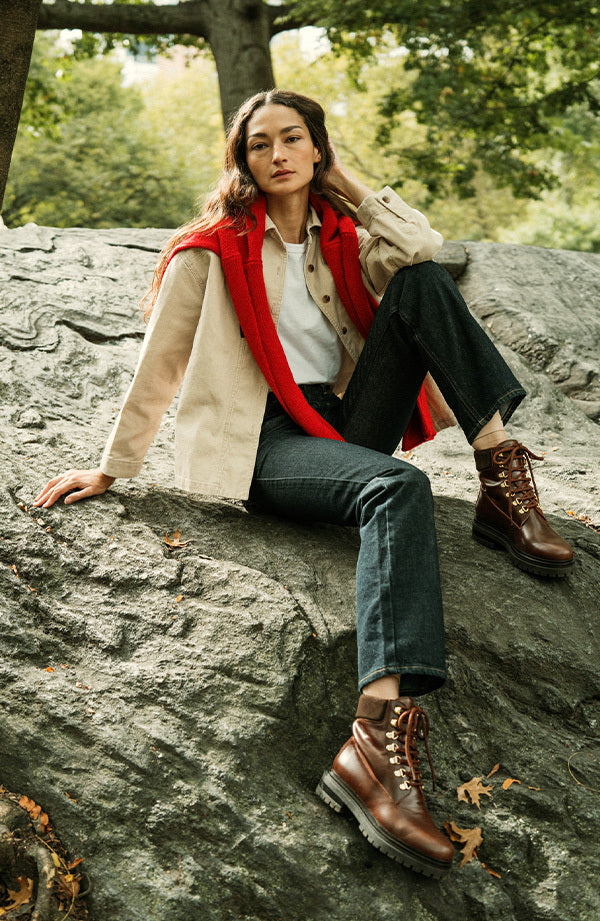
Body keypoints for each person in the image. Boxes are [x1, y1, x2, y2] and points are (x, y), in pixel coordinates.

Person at [34, 90, 574, 878]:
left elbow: (424, 248)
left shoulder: (345, 234)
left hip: (344, 418)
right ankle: (373, 743)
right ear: (242, 160)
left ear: (319, 150)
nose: (279, 154)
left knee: (423, 285)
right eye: (261, 144)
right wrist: (113, 469)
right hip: (267, 441)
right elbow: (162, 365)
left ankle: (500, 474)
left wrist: (350, 186)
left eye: (296, 139)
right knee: (397, 489)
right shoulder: (209, 251)